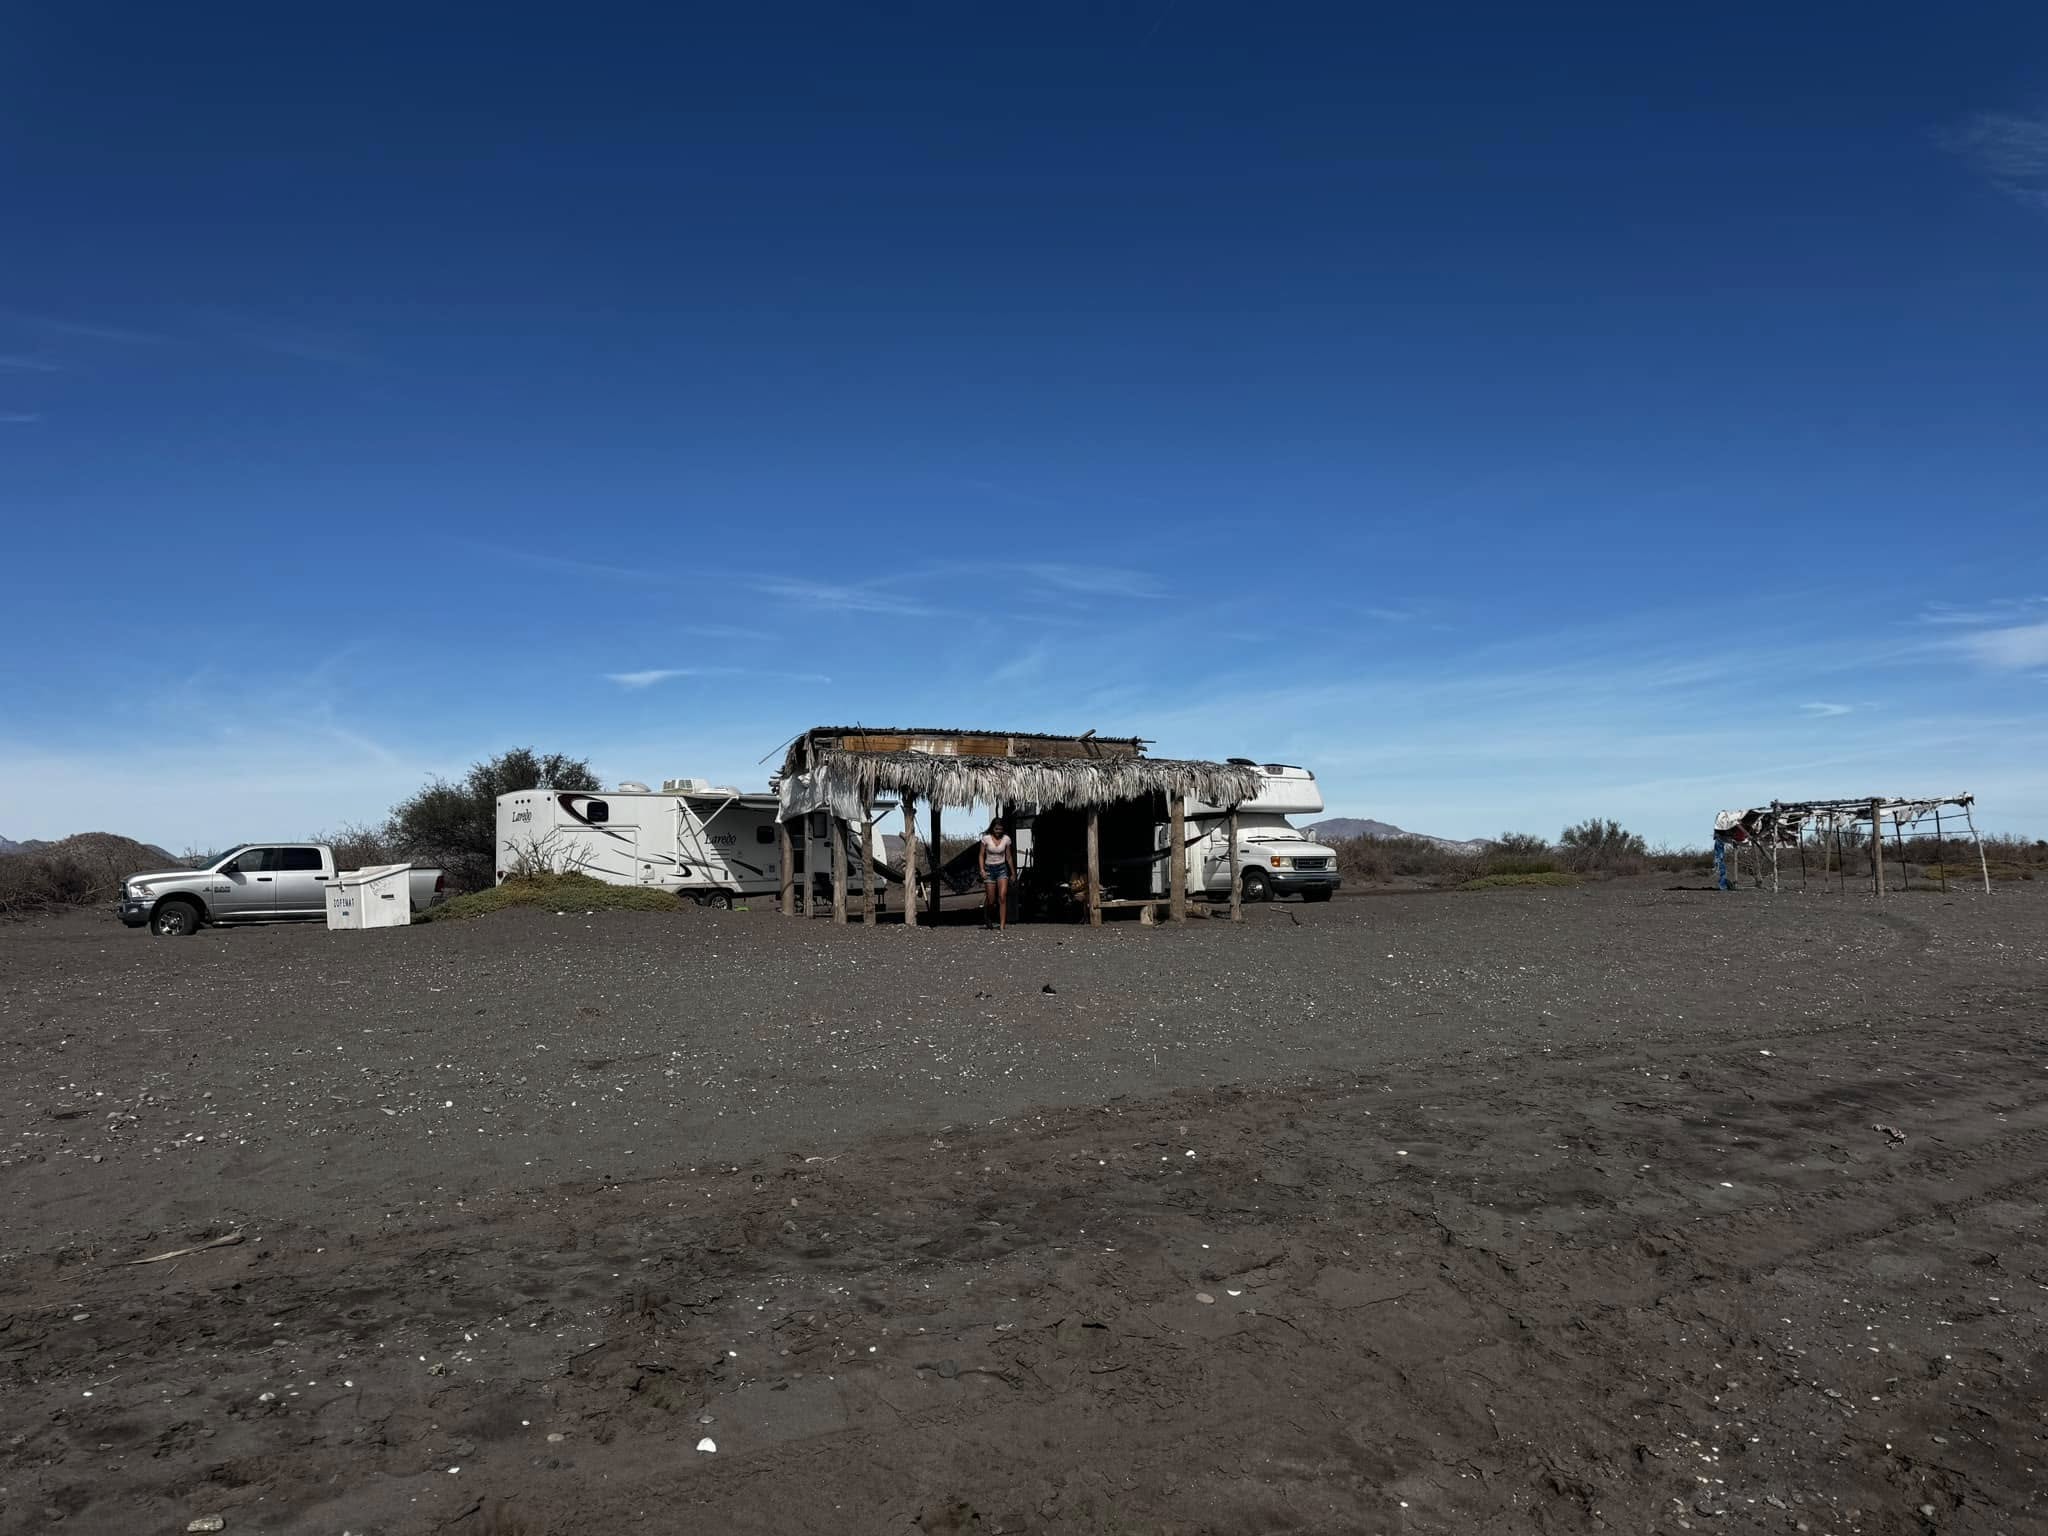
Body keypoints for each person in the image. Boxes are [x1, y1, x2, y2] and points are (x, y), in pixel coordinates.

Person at [979, 819, 1014, 931]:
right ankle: (988, 917)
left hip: (1002, 869)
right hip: (989, 869)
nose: (998, 831)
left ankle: (1002, 925)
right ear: (992, 828)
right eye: (996, 829)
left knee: (1002, 896)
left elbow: (1008, 857)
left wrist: (1013, 872)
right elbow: (981, 855)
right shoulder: (986, 839)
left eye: (1000, 829)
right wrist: (982, 870)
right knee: (991, 900)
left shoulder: (1006, 839)